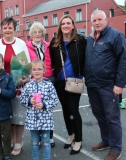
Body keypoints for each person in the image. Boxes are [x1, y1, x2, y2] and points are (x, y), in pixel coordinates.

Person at [84, 10, 126, 160]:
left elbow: (123, 60)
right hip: (92, 85)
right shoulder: (90, 38)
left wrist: (120, 83)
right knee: (100, 115)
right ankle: (106, 141)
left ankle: (116, 149)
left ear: (106, 20)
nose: (97, 22)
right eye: (94, 20)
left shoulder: (115, 36)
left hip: (109, 85)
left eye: (99, 19)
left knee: (112, 118)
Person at [0, 17, 30, 156]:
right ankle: (12, 140)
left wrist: (26, 77)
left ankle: (19, 142)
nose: (7, 30)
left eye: (10, 28)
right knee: (8, 116)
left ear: (14, 29)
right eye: (5, 28)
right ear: (1, 30)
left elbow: (27, 64)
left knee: (19, 116)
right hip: (4, 85)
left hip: (19, 85)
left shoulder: (21, 43)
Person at [49, 15, 86, 155]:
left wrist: (82, 73)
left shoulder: (80, 40)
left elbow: (86, 58)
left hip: (74, 81)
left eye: (68, 23)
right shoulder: (55, 42)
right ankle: (70, 134)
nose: (65, 25)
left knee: (73, 110)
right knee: (65, 109)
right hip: (60, 82)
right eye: (63, 23)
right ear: (60, 26)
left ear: (72, 25)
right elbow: (51, 60)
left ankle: (79, 140)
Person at [20, 60, 59, 160]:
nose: (37, 72)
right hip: (32, 119)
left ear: (44, 70)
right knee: (34, 141)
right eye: (34, 69)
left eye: (39, 69)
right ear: (31, 71)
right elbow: (22, 100)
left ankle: (46, 158)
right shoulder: (28, 85)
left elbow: (55, 100)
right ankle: (35, 158)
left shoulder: (49, 85)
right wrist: (29, 100)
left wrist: (44, 104)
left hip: (45, 119)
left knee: (46, 141)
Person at [26, 22, 55, 148]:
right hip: (34, 80)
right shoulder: (26, 47)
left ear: (43, 34)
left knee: (47, 108)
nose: (37, 34)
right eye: (35, 32)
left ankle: (49, 137)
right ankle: (36, 138)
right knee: (35, 109)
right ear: (31, 34)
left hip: (48, 79)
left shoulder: (48, 46)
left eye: (40, 32)